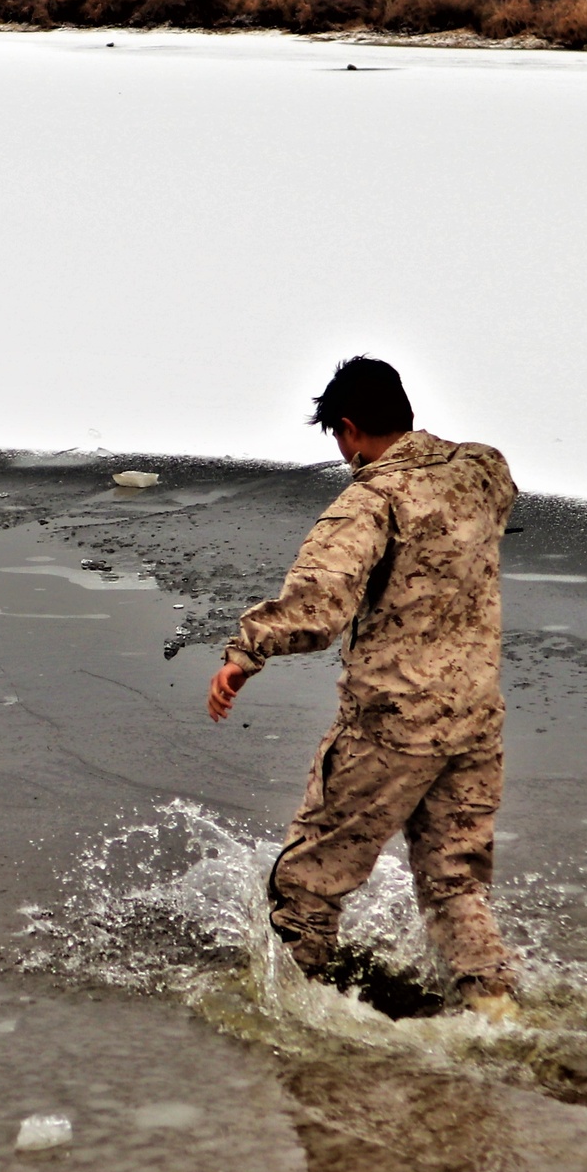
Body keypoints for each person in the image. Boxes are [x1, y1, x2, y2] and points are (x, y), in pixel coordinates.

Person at [207, 356, 520, 1017]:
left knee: (305, 882)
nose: (344, 453)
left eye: (340, 438)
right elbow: (495, 498)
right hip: (473, 718)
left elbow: (318, 608)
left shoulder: (371, 500)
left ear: (349, 428)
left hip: (393, 725)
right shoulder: (483, 470)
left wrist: (245, 653)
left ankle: (295, 1018)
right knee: (455, 880)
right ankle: (497, 1008)